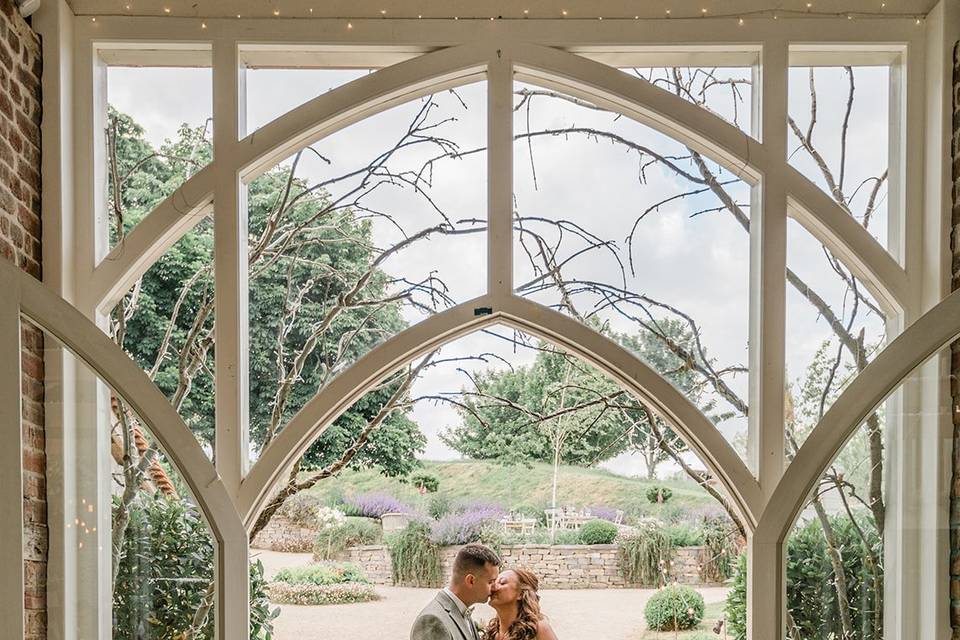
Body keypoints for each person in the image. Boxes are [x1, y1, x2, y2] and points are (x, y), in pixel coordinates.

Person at [410, 543, 501, 640]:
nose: (494, 587)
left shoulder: (462, 611)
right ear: (470, 581)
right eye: (490, 582)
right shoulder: (432, 621)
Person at [484, 569, 558, 640]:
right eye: (493, 582)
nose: (492, 588)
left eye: (502, 583)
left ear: (520, 594)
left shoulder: (538, 628)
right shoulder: (492, 632)